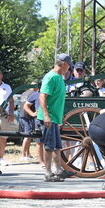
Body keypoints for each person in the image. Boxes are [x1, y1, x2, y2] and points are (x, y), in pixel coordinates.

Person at [39, 53, 75, 182]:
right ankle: (48, 173)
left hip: (55, 118)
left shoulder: (60, 78)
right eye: (69, 66)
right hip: (49, 118)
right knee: (49, 146)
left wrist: (61, 117)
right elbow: (42, 96)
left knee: (57, 146)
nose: (69, 69)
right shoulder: (50, 77)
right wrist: (46, 116)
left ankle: (59, 171)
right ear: (64, 64)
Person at [19, 80, 40, 161]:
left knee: (28, 135)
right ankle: (23, 155)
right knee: (27, 136)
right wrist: (33, 114)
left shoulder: (24, 93)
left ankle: (28, 154)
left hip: (21, 115)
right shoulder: (33, 94)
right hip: (28, 116)